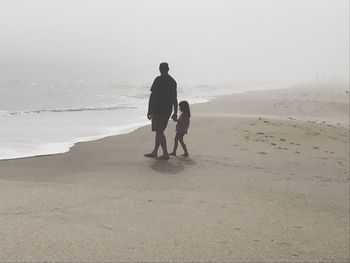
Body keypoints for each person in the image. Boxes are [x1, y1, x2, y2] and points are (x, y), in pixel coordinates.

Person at [144, 62, 178, 160]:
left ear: (159, 69)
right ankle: (155, 151)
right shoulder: (172, 81)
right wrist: (175, 112)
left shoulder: (158, 80)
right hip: (167, 110)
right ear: (168, 69)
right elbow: (174, 98)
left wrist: (149, 109)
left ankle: (165, 153)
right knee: (159, 131)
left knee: (159, 131)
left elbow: (153, 96)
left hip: (158, 109)